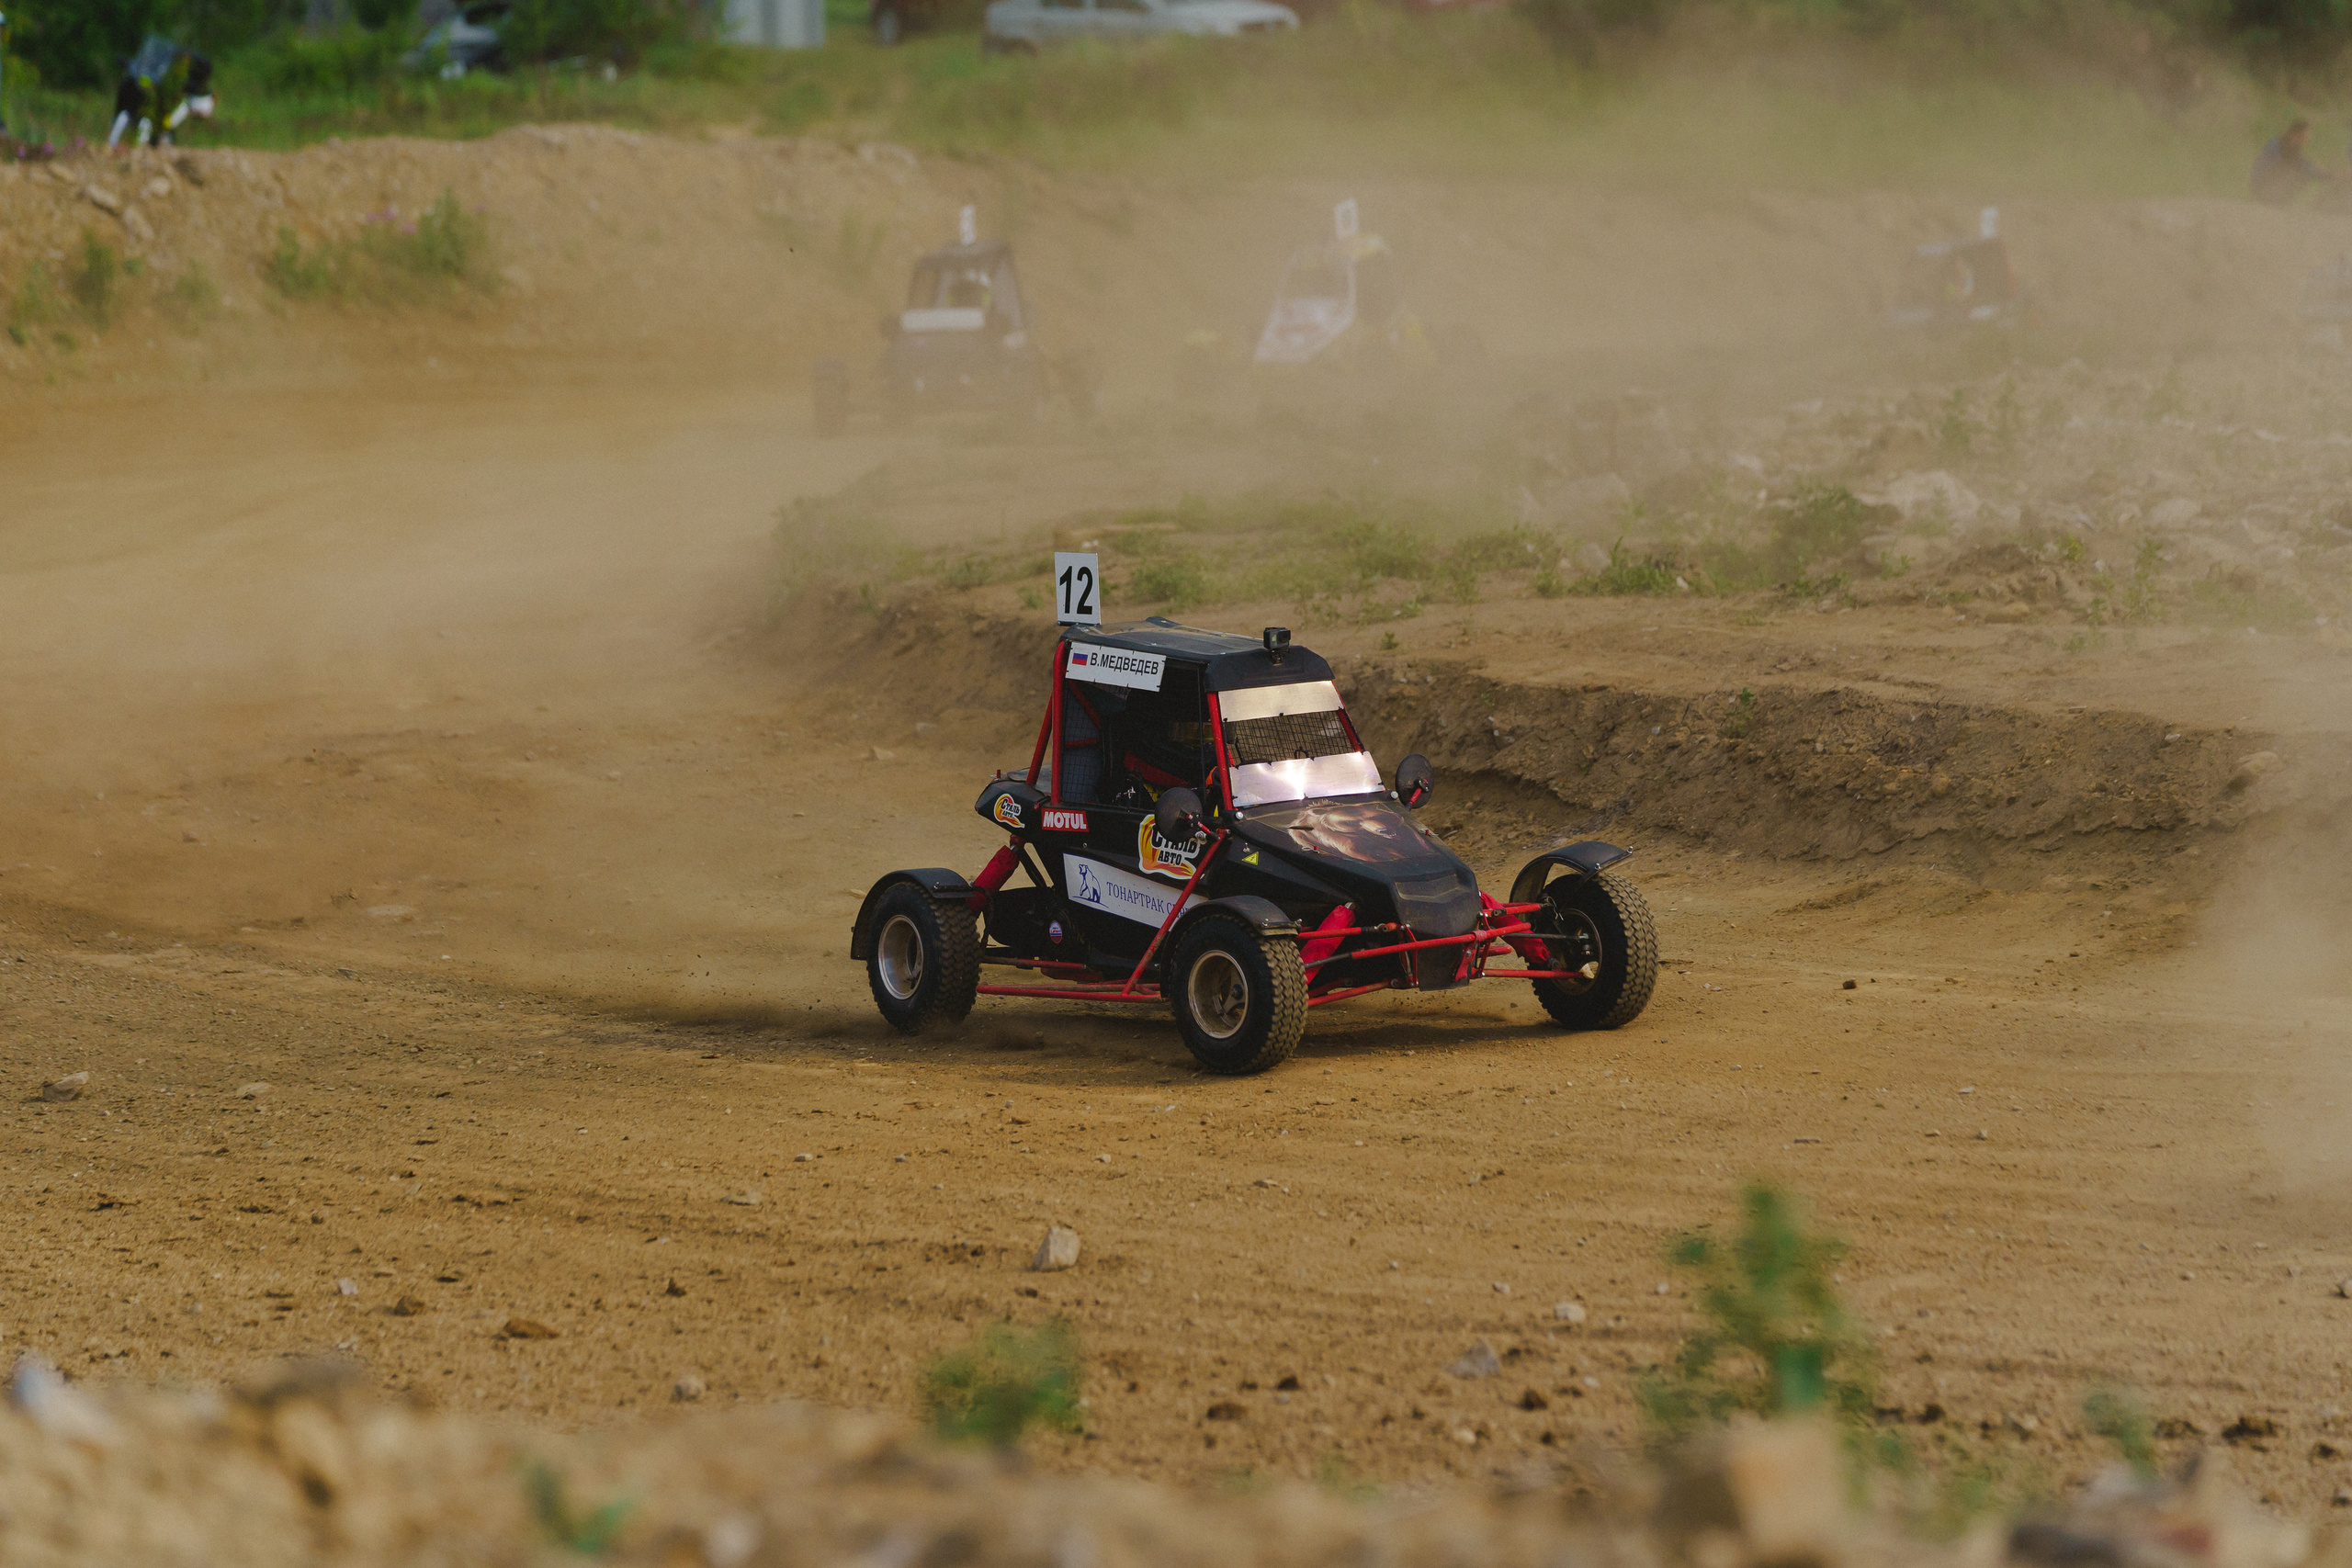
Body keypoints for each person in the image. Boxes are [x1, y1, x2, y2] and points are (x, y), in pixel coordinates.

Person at [2251, 119, 2331, 205]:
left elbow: (2305, 166)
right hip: (2262, 187)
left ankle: (2277, 201)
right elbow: (2306, 168)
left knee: (2300, 175)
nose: (2307, 139)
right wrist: (2329, 176)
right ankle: (2275, 202)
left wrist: (2327, 175)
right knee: (2301, 176)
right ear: (2295, 135)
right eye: (2305, 136)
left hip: (2263, 186)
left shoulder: (2285, 145)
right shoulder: (2280, 147)